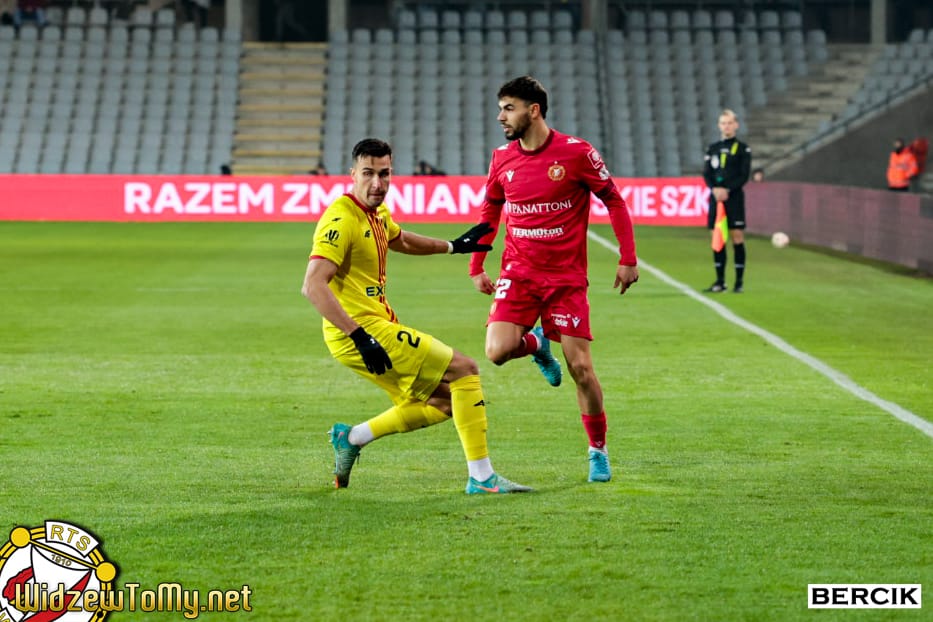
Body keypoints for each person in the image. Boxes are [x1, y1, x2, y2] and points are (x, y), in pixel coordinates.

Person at [301, 137, 532, 495]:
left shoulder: (375, 213)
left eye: (384, 174)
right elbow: (314, 285)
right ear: (352, 174)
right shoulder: (340, 219)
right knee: (465, 369)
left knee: (443, 402)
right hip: (360, 331)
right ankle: (483, 479)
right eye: (368, 174)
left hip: (373, 327)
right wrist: (360, 336)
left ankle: (352, 437)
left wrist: (454, 246)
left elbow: (401, 240)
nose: (377, 183)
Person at [467, 76, 639, 484]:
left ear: (534, 110)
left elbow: (613, 198)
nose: (500, 116)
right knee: (496, 350)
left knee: (581, 367)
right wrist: (477, 265)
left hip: (565, 279)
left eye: (508, 108)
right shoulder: (501, 159)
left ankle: (597, 449)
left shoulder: (577, 153)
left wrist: (627, 257)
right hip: (519, 273)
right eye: (500, 107)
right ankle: (538, 343)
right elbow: (489, 212)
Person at [702, 109, 752, 294]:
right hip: (716, 199)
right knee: (717, 238)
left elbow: (744, 175)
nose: (726, 126)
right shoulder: (712, 148)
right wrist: (714, 189)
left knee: (737, 237)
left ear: (736, 125)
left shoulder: (743, 149)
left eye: (730, 123)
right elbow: (707, 173)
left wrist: (727, 189)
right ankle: (720, 281)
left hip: (734, 198)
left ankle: (739, 282)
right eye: (723, 123)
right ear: (719, 125)